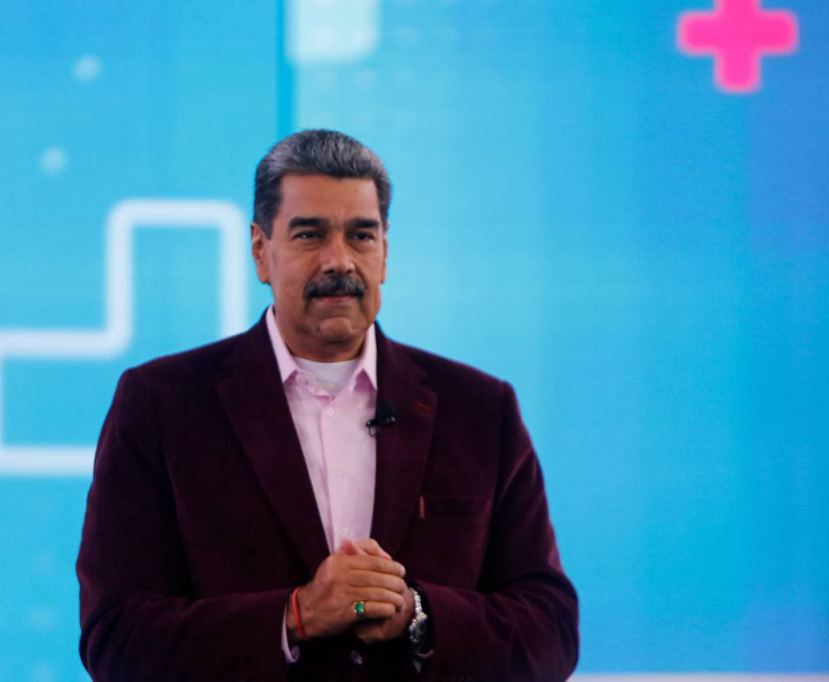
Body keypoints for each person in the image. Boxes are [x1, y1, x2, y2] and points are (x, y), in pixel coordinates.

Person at [76, 129, 579, 681]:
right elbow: (116, 637)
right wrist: (297, 616)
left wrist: (418, 615)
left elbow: (550, 632)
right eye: (310, 235)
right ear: (260, 251)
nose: (339, 261)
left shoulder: (481, 410)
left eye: (361, 235)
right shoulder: (162, 406)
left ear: (385, 252)